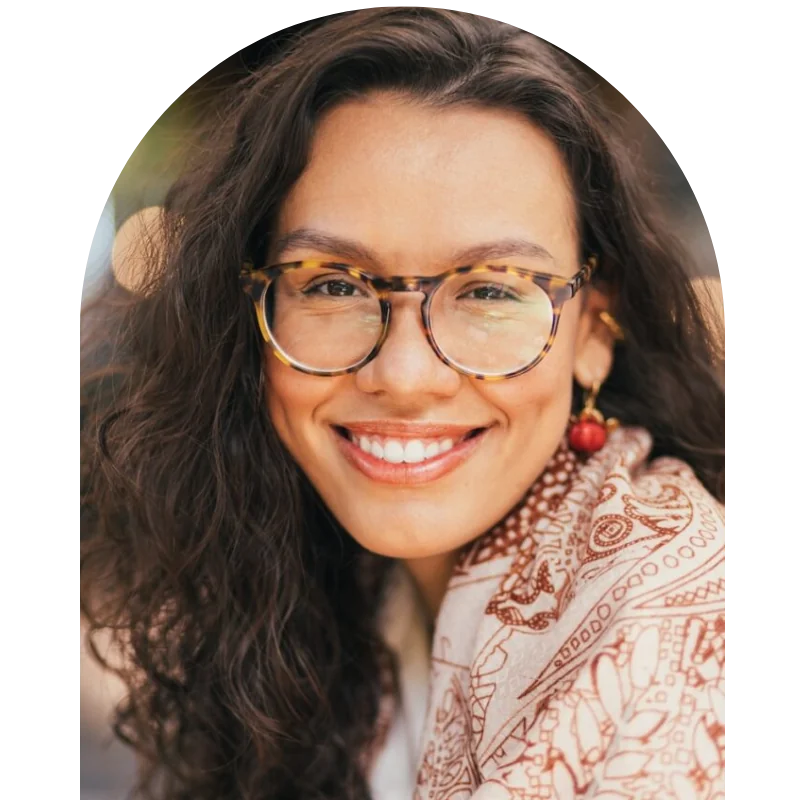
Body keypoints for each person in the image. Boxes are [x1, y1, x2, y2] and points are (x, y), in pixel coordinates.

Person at [80, 8, 727, 800]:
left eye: (491, 289)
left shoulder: (673, 643)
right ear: (248, 317)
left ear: (593, 329)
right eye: (333, 284)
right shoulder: (319, 593)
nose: (407, 372)